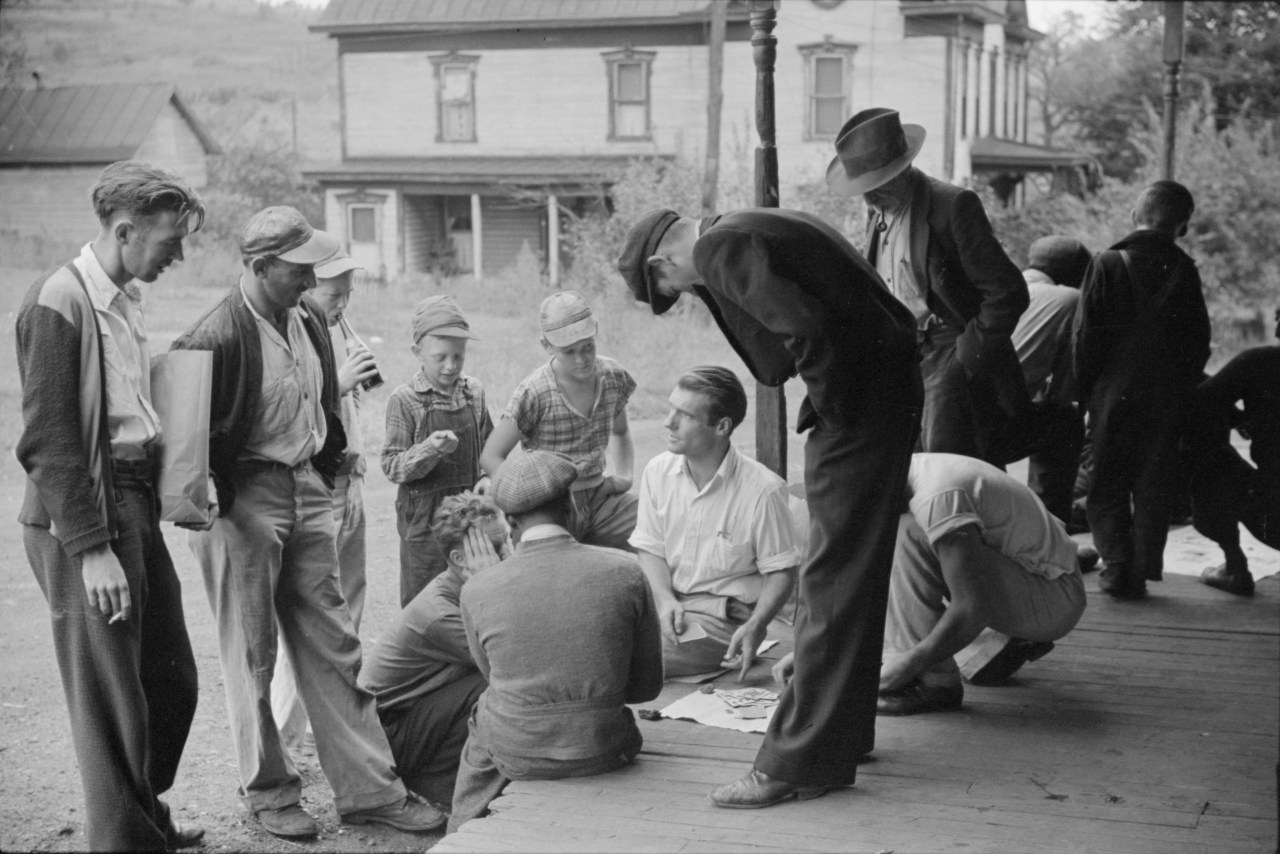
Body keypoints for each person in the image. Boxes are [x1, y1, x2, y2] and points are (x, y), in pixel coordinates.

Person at [618, 204, 922, 809]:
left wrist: (833, 411)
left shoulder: (716, 250)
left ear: (662, 263)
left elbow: (803, 331)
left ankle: (798, 761)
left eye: (671, 289)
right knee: (854, 576)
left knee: (830, 579)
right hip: (888, 395)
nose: (685, 292)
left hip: (860, 413)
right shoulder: (747, 225)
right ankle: (841, 737)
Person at [172, 206, 443, 839]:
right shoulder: (213, 336)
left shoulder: (310, 318)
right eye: (298, 270)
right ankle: (268, 792)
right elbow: (185, 436)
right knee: (253, 652)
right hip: (242, 501)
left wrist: (327, 471)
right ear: (260, 267)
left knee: (336, 643)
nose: (309, 279)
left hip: (305, 487)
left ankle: (370, 791)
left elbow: (323, 403)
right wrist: (216, 496)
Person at [15, 160, 204, 851]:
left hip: (131, 498)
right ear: (125, 231)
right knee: (109, 694)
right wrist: (91, 549)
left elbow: (133, 412)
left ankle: (139, 816)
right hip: (84, 512)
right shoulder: (57, 302)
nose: (177, 256)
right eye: (168, 242)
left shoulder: (123, 298)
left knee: (170, 678)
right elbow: (51, 440)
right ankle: (125, 841)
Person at [448, 450, 663, 832]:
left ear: (510, 522)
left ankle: (461, 828)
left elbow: (491, 675)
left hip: (517, 753)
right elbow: (646, 688)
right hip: (607, 745)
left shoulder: (477, 588)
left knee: (485, 711)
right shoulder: (625, 570)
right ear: (573, 505)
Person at [829, 107, 1030, 467]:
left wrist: (965, 359)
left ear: (903, 169)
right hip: (902, 354)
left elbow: (1007, 291)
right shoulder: (878, 211)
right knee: (905, 463)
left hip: (947, 347)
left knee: (949, 464)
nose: (869, 200)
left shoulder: (952, 205)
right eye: (863, 190)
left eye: (877, 186)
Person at [1074, 180, 1212, 600]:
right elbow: (1199, 343)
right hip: (1168, 399)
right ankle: (1142, 567)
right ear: (1183, 225)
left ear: (1135, 215)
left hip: (1113, 397)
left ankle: (1116, 567)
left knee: (1107, 482)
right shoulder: (1185, 270)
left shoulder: (1107, 264)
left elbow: (1085, 340)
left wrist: (1086, 397)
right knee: (1154, 483)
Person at [872, 453, 1087, 715]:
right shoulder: (916, 468)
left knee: (907, 535)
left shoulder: (937, 497)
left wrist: (908, 664)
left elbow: (972, 608)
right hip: (1042, 578)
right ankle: (999, 641)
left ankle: (936, 685)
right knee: (909, 532)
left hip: (1056, 599)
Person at [629, 366, 800, 678]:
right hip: (667, 602)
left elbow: (782, 572)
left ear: (722, 426)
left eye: (685, 415)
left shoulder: (763, 490)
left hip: (722, 618)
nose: (669, 422)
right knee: (596, 622)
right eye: (671, 409)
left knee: (634, 654)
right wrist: (664, 599)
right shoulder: (657, 471)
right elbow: (650, 548)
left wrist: (756, 625)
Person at [271, 247, 376, 753]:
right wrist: (339, 386)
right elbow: (292, 417)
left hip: (352, 481)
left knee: (349, 611)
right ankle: (283, 741)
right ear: (307, 286)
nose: (343, 303)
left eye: (349, 293)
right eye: (336, 294)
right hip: (320, 489)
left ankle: (323, 724)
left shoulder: (337, 329)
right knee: (314, 621)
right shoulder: (293, 334)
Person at [360, 492, 506, 807]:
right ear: (459, 559)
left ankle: (442, 779)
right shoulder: (441, 614)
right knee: (491, 685)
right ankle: (441, 787)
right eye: (493, 549)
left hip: (409, 719)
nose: (508, 554)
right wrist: (491, 586)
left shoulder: (458, 589)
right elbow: (510, 659)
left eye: (507, 541)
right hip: (386, 738)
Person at [480, 291, 638, 551]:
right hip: (551, 508)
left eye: (588, 347)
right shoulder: (535, 392)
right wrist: (528, 498)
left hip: (601, 498)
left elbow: (621, 433)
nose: (581, 359)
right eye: (569, 352)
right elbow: (491, 456)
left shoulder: (613, 376)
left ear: (595, 333)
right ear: (547, 346)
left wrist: (624, 477)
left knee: (655, 530)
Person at [382, 295, 494, 606]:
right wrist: (430, 449)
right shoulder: (404, 399)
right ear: (417, 352)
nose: (450, 365)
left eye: (458, 356)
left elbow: (489, 447)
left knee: (472, 596)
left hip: (468, 516)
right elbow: (392, 466)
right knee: (425, 603)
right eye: (440, 356)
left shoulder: (474, 392)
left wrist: (486, 475)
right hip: (424, 525)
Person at [1187, 307, 1279, 597]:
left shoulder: (1261, 361)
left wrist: (1238, 417)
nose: (1276, 330)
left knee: (1206, 455)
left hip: (1273, 509)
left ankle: (1234, 564)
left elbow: (1200, 404)